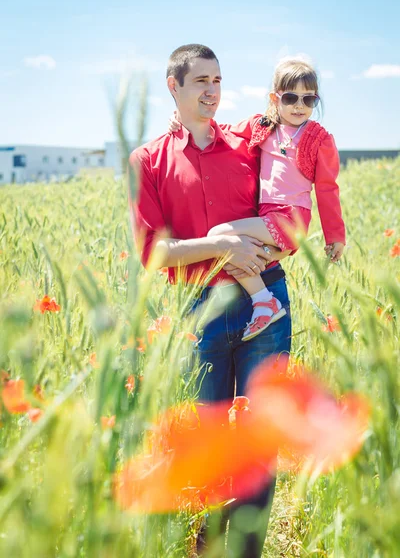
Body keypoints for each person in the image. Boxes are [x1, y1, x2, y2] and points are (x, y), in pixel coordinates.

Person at [129, 44, 292, 558]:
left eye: (217, 80)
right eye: (199, 80)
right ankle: (206, 546)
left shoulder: (249, 146)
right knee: (205, 440)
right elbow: (154, 252)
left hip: (263, 300)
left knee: (259, 437)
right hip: (199, 309)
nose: (211, 91)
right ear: (173, 87)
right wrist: (221, 243)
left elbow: (284, 217)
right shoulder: (149, 161)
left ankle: (243, 550)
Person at [170, 58, 346, 342]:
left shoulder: (319, 139)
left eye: (308, 99)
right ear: (275, 98)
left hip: (291, 217)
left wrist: (335, 236)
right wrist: (184, 122)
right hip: (266, 217)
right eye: (290, 98)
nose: (299, 106)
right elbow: (221, 131)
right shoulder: (262, 126)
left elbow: (327, 189)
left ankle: (264, 300)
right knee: (231, 252)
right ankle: (263, 304)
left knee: (219, 236)